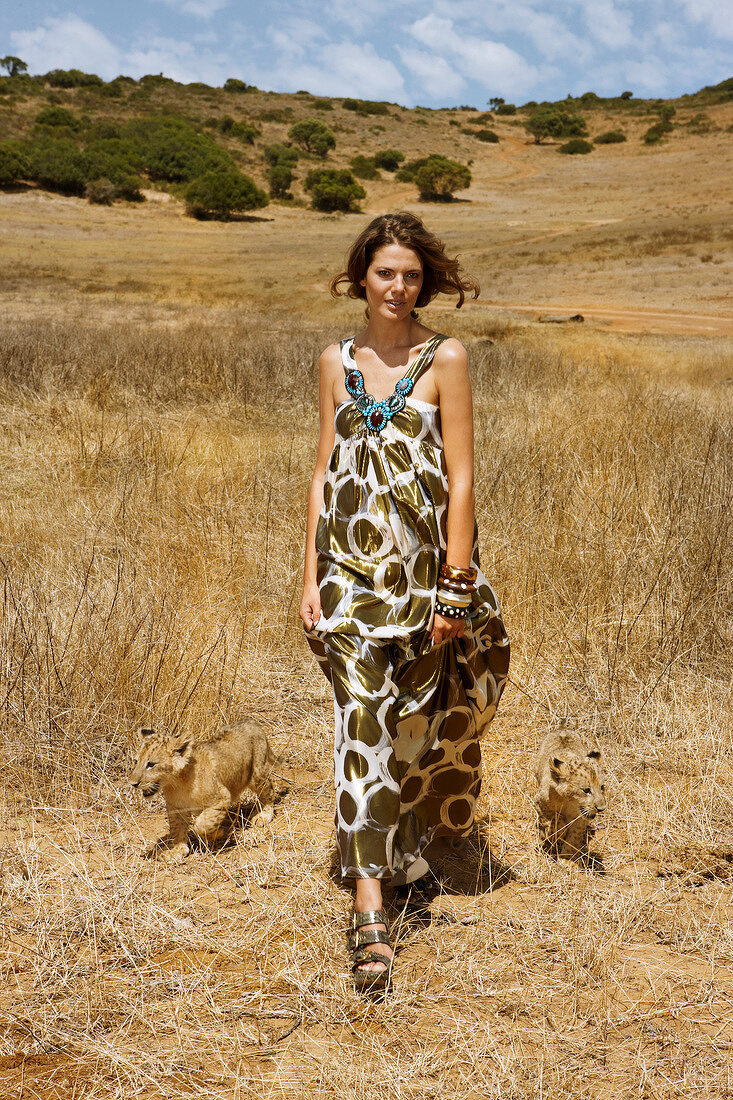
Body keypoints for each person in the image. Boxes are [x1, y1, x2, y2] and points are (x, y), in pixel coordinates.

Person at [299, 212, 509, 993]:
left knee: (409, 733)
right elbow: (322, 471)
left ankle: (406, 852)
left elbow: (461, 479)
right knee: (360, 727)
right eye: (385, 272)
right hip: (348, 581)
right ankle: (371, 914)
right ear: (361, 276)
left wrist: (454, 587)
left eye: (411, 275)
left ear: (426, 282)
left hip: (424, 587)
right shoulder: (333, 361)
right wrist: (307, 575)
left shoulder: (444, 358)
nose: (398, 287)